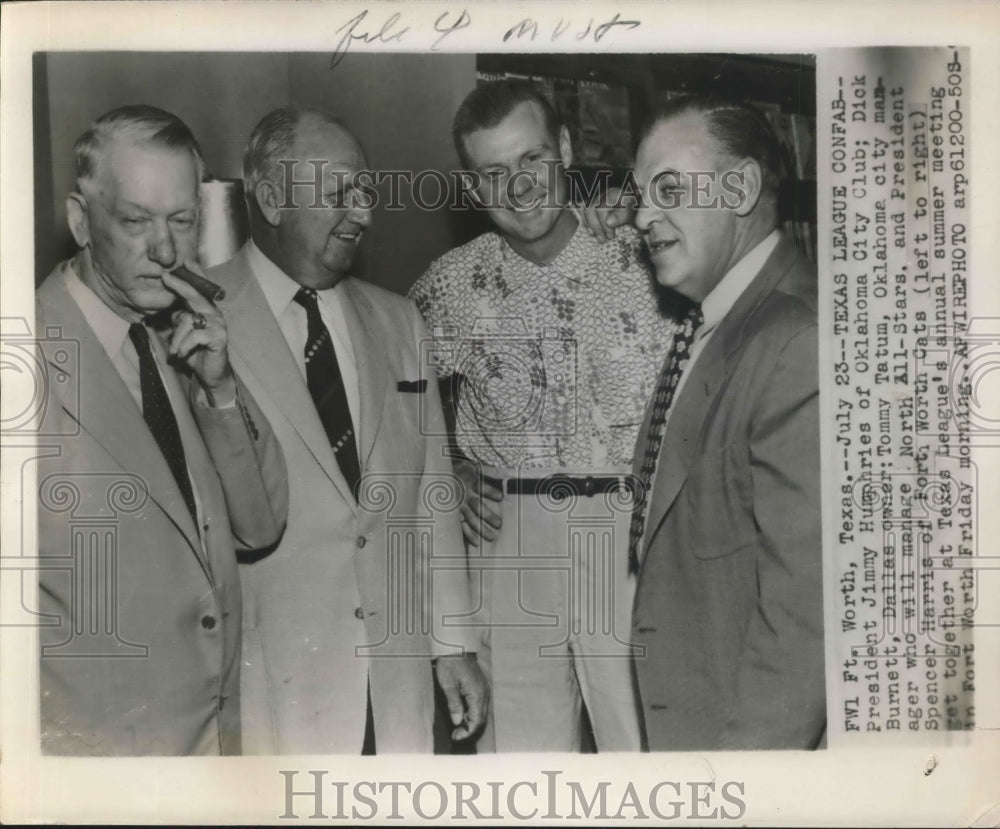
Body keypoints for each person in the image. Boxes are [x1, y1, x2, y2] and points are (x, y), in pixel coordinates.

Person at [206, 106, 488, 754]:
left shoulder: (400, 323)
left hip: (392, 685)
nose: (362, 213)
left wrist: (453, 644)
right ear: (272, 197)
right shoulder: (193, 320)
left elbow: (432, 495)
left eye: (366, 192)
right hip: (271, 690)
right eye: (339, 193)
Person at [408, 80, 676, 752]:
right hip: (510, 535)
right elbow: (394, 398)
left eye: (531, 160)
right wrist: (451, 466)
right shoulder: (448, 282)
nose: (519, 187)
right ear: (471, 187)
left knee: (647, 749)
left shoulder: (648, 258)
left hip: (631, 534)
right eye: (493, 173)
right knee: (523, 772)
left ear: (562, 148)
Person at [35, 105, 288, 755]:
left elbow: (258, 527)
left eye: (181, 220)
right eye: (136, 221)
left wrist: (220, 386)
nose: (168, 250)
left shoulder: (175, 342)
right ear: (78, 221)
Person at [628, 94, 825, 750]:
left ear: (739, 187)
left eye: (667, 189)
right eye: (639, 195)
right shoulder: (721, 321)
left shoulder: (797, 338)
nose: (642, 216)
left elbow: (807, 622)